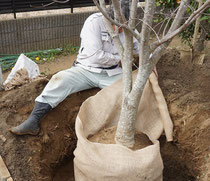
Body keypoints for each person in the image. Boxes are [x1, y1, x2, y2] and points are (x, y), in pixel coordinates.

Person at [9, 2, 139, 136]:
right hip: (85, 70)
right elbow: (95, 56)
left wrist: (149, 63)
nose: (120, 29)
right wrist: (122, 58)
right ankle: (33, 121)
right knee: (59, 80)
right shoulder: (94, 23)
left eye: (124, 26)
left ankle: (122, 128)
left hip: (112, 73)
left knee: (129, 92)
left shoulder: (129, 27)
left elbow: (141, 46)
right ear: (109, 17)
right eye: (116, 25)